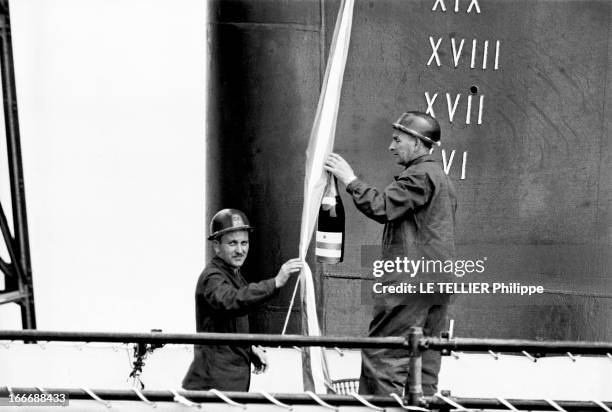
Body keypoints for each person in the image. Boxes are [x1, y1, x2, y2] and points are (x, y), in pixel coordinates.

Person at [324, 111, 457, 396]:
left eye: (397, 140)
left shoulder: (419, 175)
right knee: (424, 361)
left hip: (409, 284)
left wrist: (350, 180)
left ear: (418, 143)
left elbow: (383, 207)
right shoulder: (441, 178)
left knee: (382, 358)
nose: (391, 146)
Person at [182, 208, 303, 391]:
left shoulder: (232, 275)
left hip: (226, 383)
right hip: (215, 387)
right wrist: (275, 283)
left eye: (244, 243)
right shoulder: (212, 278)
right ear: (216, 246)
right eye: (232, 243)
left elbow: (227, 326)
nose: (240, 250)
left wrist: (248, 348)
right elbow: (232, 301)